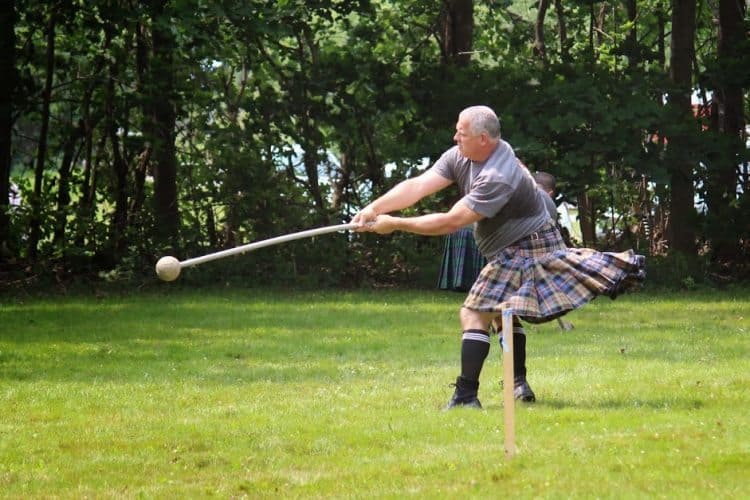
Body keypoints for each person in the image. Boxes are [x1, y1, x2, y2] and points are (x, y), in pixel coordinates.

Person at [353, 105, 645, 410]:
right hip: (513, 245)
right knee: (502, 312)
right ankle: (516, 383)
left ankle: (466, 397)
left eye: (461, 133)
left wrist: (396, 224)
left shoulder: (498, 175)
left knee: (475, 314)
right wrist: (375, 208)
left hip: (528, 245)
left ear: (483, 139)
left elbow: (451, 221)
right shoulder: (462, 156)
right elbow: (418, 185)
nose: (455, 137)